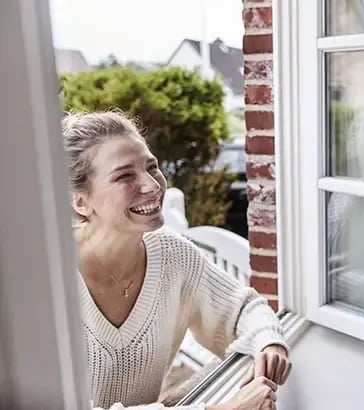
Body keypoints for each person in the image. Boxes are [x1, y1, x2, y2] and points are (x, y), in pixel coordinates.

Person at [61, 111, 292, 410]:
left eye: (151, 166)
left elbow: (242, 308)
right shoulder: (47, 279)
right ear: (79, 200)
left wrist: (268, 341)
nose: (152, 185)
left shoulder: (171, 253)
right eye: (124, 175)